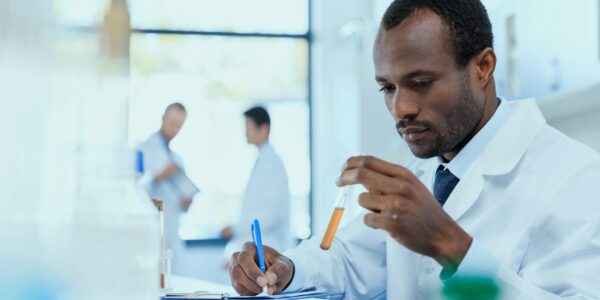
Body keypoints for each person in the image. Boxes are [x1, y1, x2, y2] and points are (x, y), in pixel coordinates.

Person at [228, 0, 600, 299]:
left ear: (483, 67)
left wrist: (449, 244)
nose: (400, 108)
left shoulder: (578, 177)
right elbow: (347, 258)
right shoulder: (427, 175)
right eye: (387, 88)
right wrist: (286, 269)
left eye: (420, 82)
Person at [222, 106, 292, 265]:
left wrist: (235, 229)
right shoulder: (262, 161)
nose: (245, 133)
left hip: (269, 246)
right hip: (260, 245)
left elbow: (270, 214)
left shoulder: (272, 165)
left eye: (248, 127)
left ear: (264, 129)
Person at [138, 103, 197, 272]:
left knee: (172, 283)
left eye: (179, 125)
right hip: (149, 232)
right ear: (163, 118)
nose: (174, 129)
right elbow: (135, 190)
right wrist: (158, 176)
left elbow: (180, 205)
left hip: (172, 233)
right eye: (172, 123)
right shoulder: (143, 148)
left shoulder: (177, 160)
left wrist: (186, 202)